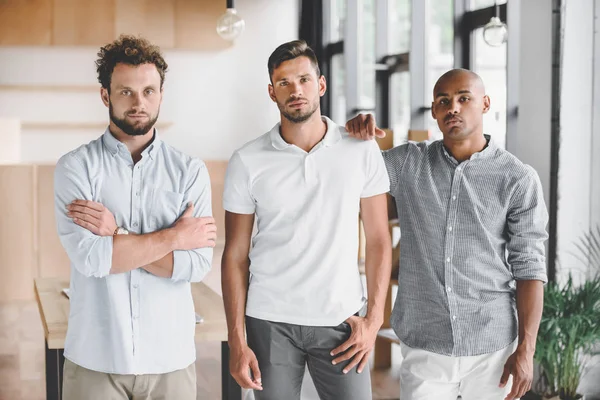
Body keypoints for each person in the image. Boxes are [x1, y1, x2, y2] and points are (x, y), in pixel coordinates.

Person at [346, 68, 549, 400]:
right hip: (425, 344)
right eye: (443, 101)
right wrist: (354, 137)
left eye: (463, 98)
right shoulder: (407, 163)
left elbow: (530, 268)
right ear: (435, 112)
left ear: (484, 104)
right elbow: (350, 174)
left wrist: (526, 350)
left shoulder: (517, 178)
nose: (453, 107)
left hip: (492, 347)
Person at [221, 40, 392, 400]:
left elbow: (378, 239)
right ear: (272, 92)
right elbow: (235, 255)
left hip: (341, 320)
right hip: (269, 321)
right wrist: (236, 340)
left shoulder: (361, 148)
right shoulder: (247, 160)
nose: (295, 90)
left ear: (321, 85)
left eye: (303, 79)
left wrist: (374, 320)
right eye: (284, 82)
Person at [54, 35, 216, 400]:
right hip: (96, 358)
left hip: (170, 359)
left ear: (161, 94)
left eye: (148, 91)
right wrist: (175, 237)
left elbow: (196, 265)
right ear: (105, 95)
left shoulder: (189, 171)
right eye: (126, 92)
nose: (138, 102)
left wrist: (118, 235)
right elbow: (93, 259)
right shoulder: (76, 168)